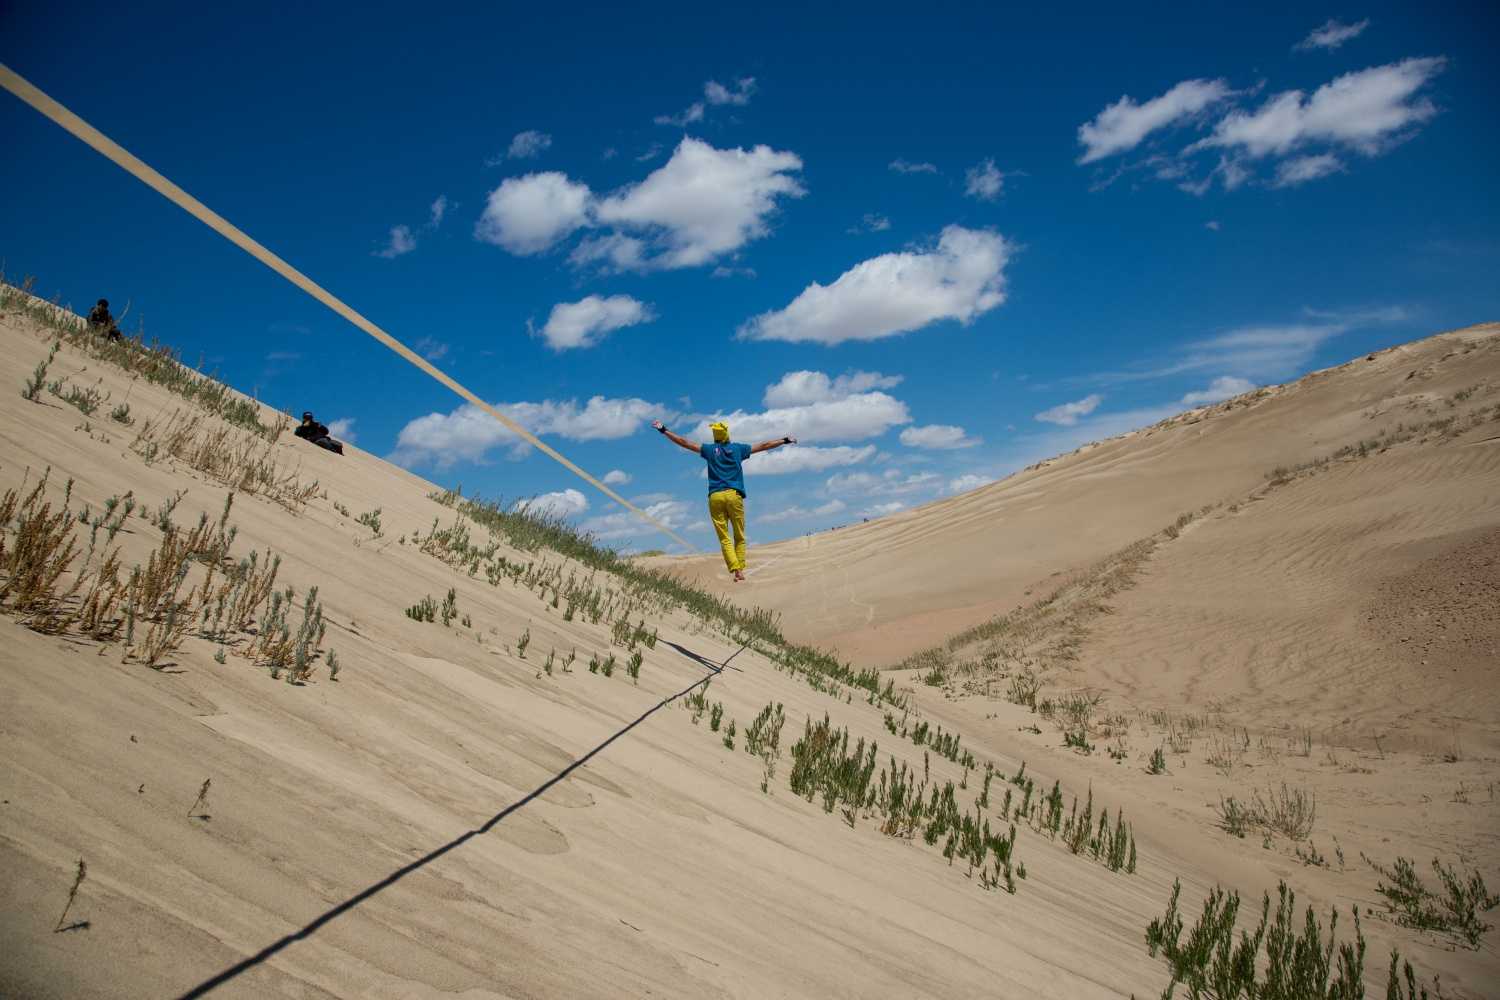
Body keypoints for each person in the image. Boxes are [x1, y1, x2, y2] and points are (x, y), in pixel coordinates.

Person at [652, 419, 795, 581]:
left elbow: (684, 442)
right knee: (739, 535)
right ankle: (740, 567)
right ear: (727, 434)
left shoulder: (709, 450)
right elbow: (764, 445)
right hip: (734, 495)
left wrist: (663, 430)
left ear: (715, 436)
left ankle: (735, 570)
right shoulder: (738, 449)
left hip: (715, 497)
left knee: (724, 537)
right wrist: (784, 440)